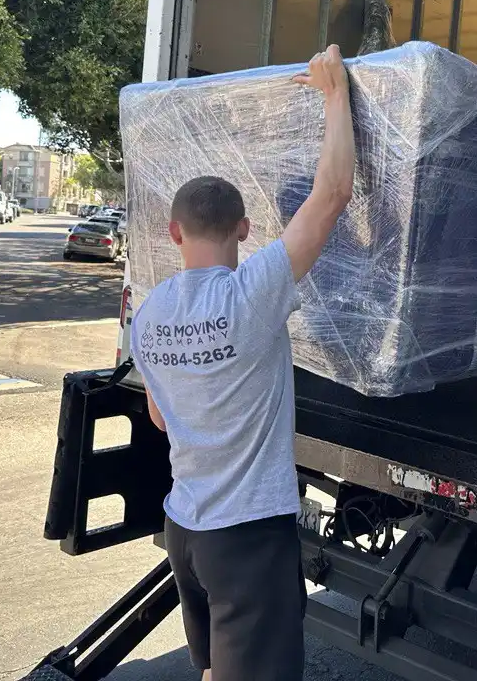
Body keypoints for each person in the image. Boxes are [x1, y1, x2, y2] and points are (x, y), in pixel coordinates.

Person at [129, 44, 355, 681]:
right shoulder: (252, 295)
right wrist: (335, 93)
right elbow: (333, 195)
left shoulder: (148, 314)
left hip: (185, 528)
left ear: (175, 233)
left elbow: (161, 418)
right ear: (246, 228)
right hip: (248, 536)